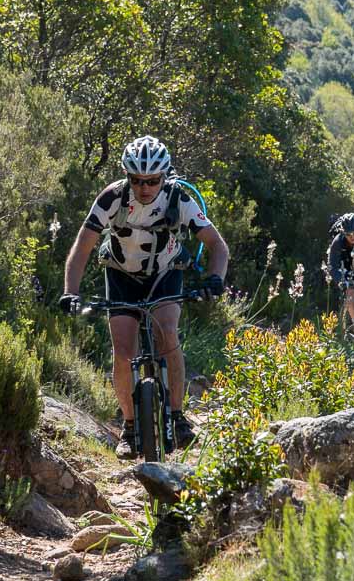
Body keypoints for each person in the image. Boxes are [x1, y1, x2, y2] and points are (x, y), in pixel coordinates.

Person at [58, 135, 229, 459]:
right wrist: (71, 292)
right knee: (123, 351)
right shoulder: (112, 198)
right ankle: (131, 427)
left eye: (151, 181)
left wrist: (215, 278)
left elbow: (217, 245)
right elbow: (81, 249)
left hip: (165, 273)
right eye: (137, 180)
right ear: (128, 176)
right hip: (121, 274)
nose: (144, 188)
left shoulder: (178, 199)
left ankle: (177, 417)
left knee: (167, 333)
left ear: (163, 177)